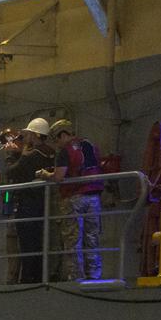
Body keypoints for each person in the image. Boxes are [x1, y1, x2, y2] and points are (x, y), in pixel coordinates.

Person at [44, 118, 105, 281]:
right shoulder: (90, 146)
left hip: (74, 198)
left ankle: (75, 276)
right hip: (94, 197)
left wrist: (44, 174)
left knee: (73, 239)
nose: (56, 143)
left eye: (56, 139)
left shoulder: (65, 150)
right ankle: (94, 275)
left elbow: (59, 176)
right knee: (92, 237)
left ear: (63, 134)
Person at [9, 118, 57, 283]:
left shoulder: (32, 156)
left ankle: (28, 278)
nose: (25, 137)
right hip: (46, 204)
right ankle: (40, 275)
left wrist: (18, 155)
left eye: (28, 134)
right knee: (41, 242)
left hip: (28, 204)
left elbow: (12, 172)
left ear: (35, 135)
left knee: (28, 243)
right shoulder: (51, 153)